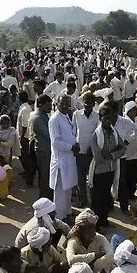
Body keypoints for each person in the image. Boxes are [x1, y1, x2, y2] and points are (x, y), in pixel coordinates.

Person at [49, 94, 79, 222]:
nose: (66, 106)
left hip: (69, 159)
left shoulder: (67, 116)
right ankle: (60, 217)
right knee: (60, 191)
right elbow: (55, 142)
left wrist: (76, 144)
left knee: (68, 189)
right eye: (63, 103)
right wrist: (70, 147)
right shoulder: (54, 119)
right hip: (61, 160)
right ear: (57, 104)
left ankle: (67, 212)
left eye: (68, 103)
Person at [65, 209, 113, 273]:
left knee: (107, 268)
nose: (93, 231)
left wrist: (95, 265)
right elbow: (71, 259)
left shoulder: (100, 238)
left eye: (94, 227)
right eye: (90, 228)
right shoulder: (73, 242)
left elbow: (110, 255)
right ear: (80, 230)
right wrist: (94, 255)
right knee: (64, 264)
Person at [72, 92, 99, 207]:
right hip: (79, 152)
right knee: (80, 179)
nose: (87, 106)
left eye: (90, 104)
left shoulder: (97, 116)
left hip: (91, 153)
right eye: (85, 104)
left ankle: (94, 201)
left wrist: (92, 148)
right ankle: (82, 200)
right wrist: (74, 145)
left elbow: (98, 133)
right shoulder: (76, 115)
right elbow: (73, 131)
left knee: (92, 179)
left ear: (93, 104)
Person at [119, 101, 137, 214]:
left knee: (134, 175)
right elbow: (128, 138)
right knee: (126, 176)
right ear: (129, 111)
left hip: (135, 153)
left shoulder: (135, 121)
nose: (136, 112)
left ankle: (131, 193)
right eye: (134, 110)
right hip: (127, 154)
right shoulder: (126, 122)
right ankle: (126, 195)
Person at [30, 95, 53, 199]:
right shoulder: (37, 118)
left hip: (48, 150)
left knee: (48, 176)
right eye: (48, 105)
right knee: (45, 177)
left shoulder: (44, 115)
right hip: (43, 151)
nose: (50, 107)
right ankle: (44, 200)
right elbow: (49, 134)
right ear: (40, 105)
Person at [16, 91, 35, 187]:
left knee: (24, 156)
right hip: (25, 136)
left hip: (24, 137)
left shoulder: (24, 109)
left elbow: (24, 125)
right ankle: (28, 172)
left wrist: (22, 137)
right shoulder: (26, 107)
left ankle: (29, 175)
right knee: (23, 156)